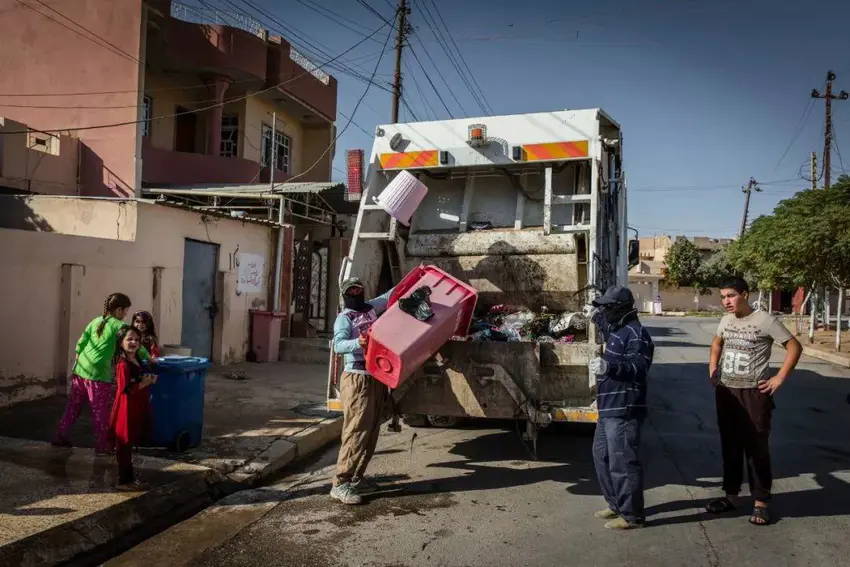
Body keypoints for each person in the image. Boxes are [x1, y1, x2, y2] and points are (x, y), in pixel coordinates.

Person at [705, 277, 801, 526]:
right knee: (730, 447)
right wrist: (713, 369)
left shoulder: (765, 320)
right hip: (726, 392)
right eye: (723, 296)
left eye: (731, 295)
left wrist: (779, 378)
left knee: (756, 450)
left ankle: (761, 503)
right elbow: (717, 343)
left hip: (754, 395)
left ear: (745, 294)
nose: (726, 301)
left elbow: (794, 347)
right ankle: (731, 496)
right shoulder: (726, 320)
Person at [585, 285, 655, 530]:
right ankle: (615, 504)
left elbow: (639, 368)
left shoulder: (636, 334)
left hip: (624, 409)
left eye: (606, 308)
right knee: (601, 456)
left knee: (623, 462)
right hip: (607, 408)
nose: (603, 312)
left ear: (620, 308)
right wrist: (591, 313)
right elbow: (602, 324)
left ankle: (632, 515)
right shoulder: (616, 328)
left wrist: (609, 368)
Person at [52, 293, 151, 454]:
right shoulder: (119, 326)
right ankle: (103, 445)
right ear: (119, 310)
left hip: (81, 370)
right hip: (98, 375)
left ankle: (60, 436)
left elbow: (81, 343)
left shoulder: (96, 321)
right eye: (126, 310)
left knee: (73, 407)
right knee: (100, 412)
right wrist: (150, 358)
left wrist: (80, 362)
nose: (126, 314)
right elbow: (133, 343)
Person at [329, 277, 395, 505]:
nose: (355, 292)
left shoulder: (370, 307)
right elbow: (338, 345)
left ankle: (357, 478)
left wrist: (418, 277)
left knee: (372, 430)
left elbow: (390, 296)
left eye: (358, 289)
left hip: (376, 376)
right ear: (345, 294)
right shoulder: (344, 318)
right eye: (351, 290)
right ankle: (340, 483)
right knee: (356, 430)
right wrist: (359, 342)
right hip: (357, 378)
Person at [109, 325, 157, 491]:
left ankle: (129, 479)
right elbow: (125, 389)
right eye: (129, 339)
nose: (133, 342)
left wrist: (148, 378)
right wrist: (145, 382)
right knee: (124, 443)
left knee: (131, 440)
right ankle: (124, 481)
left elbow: (137, 380)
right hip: (126, 407)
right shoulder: (123, 364)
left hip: (138, 405)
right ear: (121, 342)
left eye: (136, 340)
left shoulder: (137, 360)